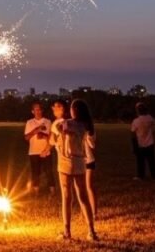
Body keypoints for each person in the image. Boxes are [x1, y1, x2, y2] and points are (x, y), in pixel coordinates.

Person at [50, 99, 97, 242]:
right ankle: (91, 231)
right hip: (80, 163)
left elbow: (55, 129)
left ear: (74, 110)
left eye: (71, 108)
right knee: (83, 197)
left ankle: (67, 232)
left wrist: (59, 119)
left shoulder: (67, 123)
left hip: (65, 162)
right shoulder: (85, 125)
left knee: (66, 197)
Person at [24, 102, 56, 195]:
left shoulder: (48, 121)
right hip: (33, 151)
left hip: (46, 151)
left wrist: (44, 135)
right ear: (32, 111)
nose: (38, 111)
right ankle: (36, 193)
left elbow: (51, 137)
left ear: (42, 110)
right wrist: (36, 130)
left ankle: (53, 192)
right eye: (36, 109)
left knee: (49, 172)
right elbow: (26, 138)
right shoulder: (29, 122)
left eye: (39, 109)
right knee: (35, 173)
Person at [130, 102, 155, 180]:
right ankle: (154, 175)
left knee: (140, 161)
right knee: (152, 161)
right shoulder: (150, 118)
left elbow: (133, 133)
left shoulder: (136, 121)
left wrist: (134, 145)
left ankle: (140, 175)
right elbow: (153, 125)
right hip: (150, 142)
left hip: (140, 143)